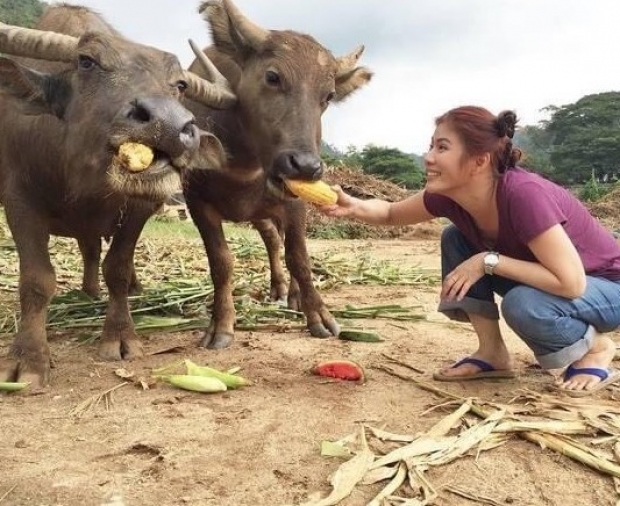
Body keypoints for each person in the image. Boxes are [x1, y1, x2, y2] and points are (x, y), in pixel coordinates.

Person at [321, 105, 620, 397]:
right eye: (431, 146)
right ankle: (493, 354)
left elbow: (572, 283)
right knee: (456, 238)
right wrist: (353, 206)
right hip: (557, 285)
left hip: (606, 287)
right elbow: (389, 214)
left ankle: (596, 348)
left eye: (442, 148)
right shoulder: (450, 196)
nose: (428, 158)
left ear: (479, 160)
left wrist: (488, 261)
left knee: (523, 304)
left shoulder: (523, 195)